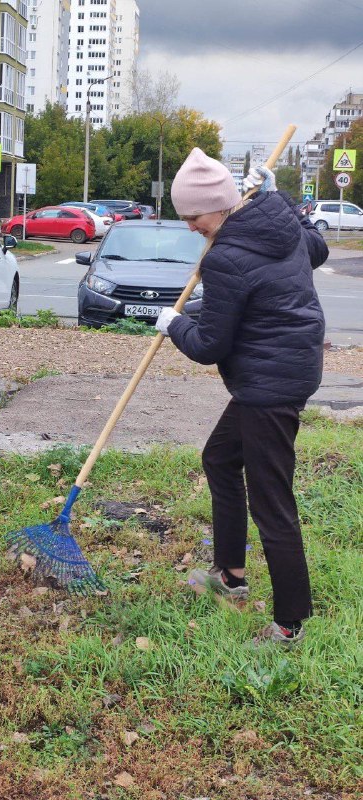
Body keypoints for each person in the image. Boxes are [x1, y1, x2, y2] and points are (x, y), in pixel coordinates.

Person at [156, 148, 328, 647]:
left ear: (221, 206)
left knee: (272, 501)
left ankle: (289, 623)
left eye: (194, 216)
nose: (190, 226)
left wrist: (173, 324)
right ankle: (230, 574)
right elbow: (316, 248)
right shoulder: (279, 225)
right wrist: (283, 199)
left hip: (269, 385)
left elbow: (209, 346)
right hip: (283, 371)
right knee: (219, 458)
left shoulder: (225, 257)